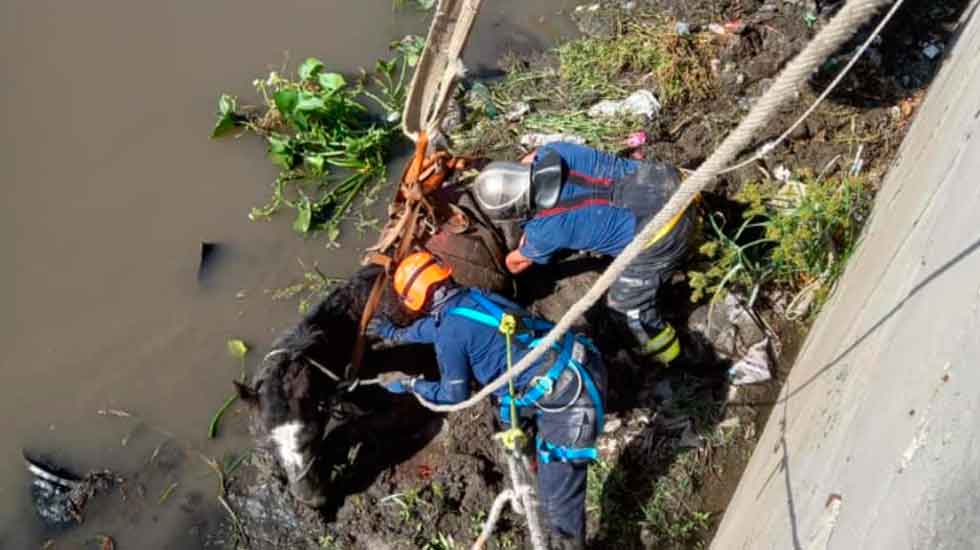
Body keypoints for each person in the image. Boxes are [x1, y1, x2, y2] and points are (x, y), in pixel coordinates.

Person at [368, 251, 607, 549]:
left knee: (557, 508)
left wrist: (410, 384)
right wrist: (396, 334)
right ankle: (532, 466)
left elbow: (454, 394)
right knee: (515, 418)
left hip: (572, 404)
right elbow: (438, 327)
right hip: (580, 364)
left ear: (418, 302)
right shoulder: (476, 297)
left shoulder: (450, 334)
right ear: (445, 275)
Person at [471, 141, 695, 365]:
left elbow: (515, 263)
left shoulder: (544, 232)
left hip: (665, 232)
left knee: (627, 308)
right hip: (672, 183)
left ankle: (674, 360)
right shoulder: (557, 150)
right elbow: (533, 156)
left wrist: (510, 259)